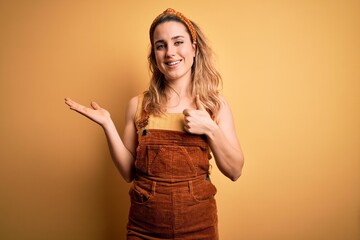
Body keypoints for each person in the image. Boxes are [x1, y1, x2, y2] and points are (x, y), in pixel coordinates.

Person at [65, 8, 244, 240]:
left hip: (199, 227)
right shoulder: (138, 105)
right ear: (155, 55)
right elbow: (129, 172)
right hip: (144, 229)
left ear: (194, 48)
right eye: (161, 45)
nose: (170, 52)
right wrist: (108, 125)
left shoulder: (214, 105)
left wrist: (210, 128)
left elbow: (235, 171)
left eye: (178, 42)